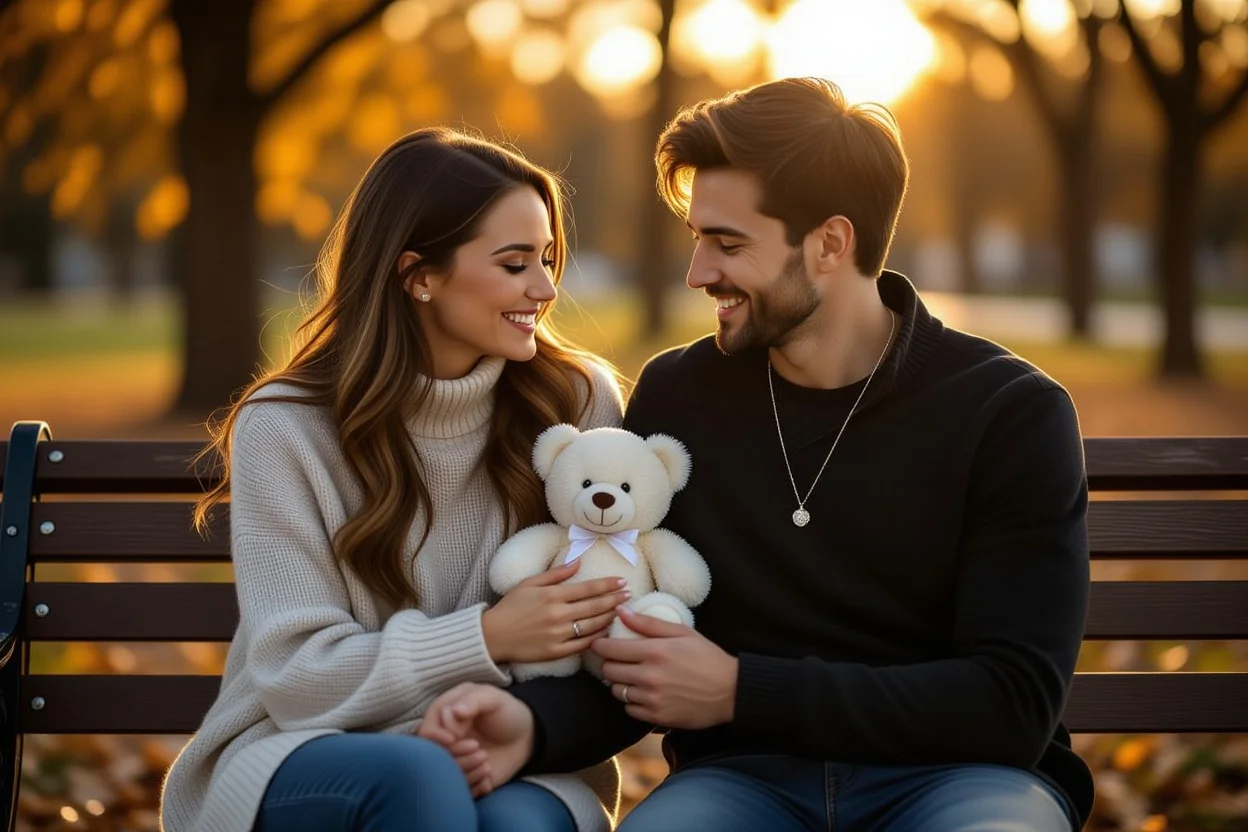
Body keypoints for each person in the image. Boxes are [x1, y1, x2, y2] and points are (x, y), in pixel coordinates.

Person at [419, 77, 1094, 831]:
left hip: (966, 782)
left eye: (728, 243)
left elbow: (1013, 701)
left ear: (831, 244)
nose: (698, 273)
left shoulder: (1007, 411)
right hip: (744, 785)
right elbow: (636, 639)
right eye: (698, 238)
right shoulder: (681, 396)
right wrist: (533, 727)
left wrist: (745, 690)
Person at [158, 127, 633, 832]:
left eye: (548, 258)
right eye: (514, 264)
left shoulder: (578, 402)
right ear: (419, 275)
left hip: (511, 751)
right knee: (417, 779)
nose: (545, 287)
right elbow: (295, 678)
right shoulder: (286, 426)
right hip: (303, 752)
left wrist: (514, 719)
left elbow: (605, 625)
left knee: (524, 825)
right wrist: (489, 636)